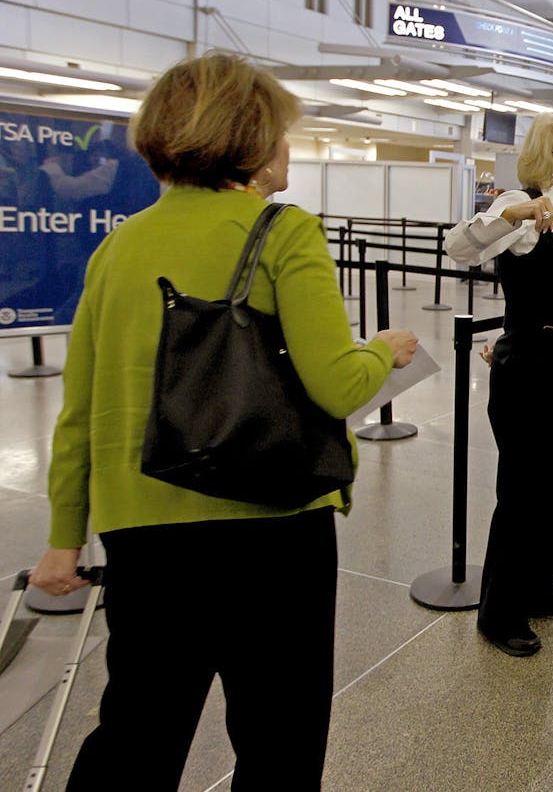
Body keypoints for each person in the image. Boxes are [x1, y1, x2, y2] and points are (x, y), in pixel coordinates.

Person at [27, 51, 418, 790]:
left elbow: (79, 411)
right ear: (253, 138)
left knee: (140, 727)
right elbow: (335, 385)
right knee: (279, 732)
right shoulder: (285, 231)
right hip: (272, 522)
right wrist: (383, 349)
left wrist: (61, 539)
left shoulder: (116, 247)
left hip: (143, 526)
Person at [445, 109, 553, 657]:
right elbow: (459, 247)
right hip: (529, 378)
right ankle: (499, 612)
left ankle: (538, 585)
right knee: (522, 495)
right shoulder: (520, 210)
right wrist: (512, 215)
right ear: (545, 158)